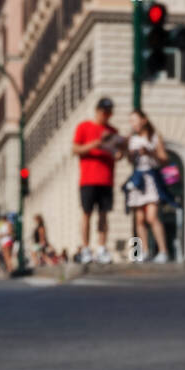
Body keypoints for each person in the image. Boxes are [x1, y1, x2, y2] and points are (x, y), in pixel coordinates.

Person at [72, 96, 125, 264]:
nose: (106, 115)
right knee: (86, 213)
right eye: (104, 112)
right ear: (97, 111)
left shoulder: (113, 132)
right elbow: (76, 149)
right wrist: (96, 143)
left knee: (104, 214)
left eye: (109, 112)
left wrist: (119, 153)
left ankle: (102, 248)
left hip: (106, 179)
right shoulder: (84, 127)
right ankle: (86, 248)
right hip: (88, 179)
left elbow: (118, 153)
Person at [123, 109, 169, 263]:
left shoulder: (155, 137)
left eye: (135, 120)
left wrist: (150, 152)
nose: (133, 124)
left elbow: (164, 159)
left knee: (152, 217)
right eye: (131, 121)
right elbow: (130, 161)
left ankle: (163, 251)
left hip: (151, 178)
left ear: (143, 120)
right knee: (139, 219)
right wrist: (129, 151)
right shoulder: (132, 140)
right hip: (138, 178)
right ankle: (144, 252)